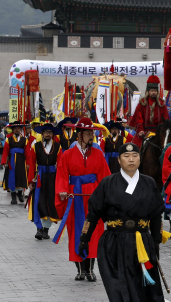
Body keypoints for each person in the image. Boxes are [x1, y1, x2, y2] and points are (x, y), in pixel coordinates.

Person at [80, 141, 166, 301]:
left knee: (143, 289)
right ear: (119, 160)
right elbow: (93, 214)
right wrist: (84, 238)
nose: (131, 159)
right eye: (126, 156)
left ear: (140, 159)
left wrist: (155, 242)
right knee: (117, 288)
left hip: (141, 244)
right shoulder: (108, 183)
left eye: (135, 155)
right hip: (114, 242)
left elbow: (156, 215)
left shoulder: (149, 183)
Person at [54, 117, 111, 282]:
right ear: (79, 134)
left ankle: (91, 270)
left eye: (91, 132)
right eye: (87, 133)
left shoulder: (98, 154)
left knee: (94, 231)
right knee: (76, 230)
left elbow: (104, 176)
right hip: (75, 196)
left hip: (92, 195)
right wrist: (63, 191)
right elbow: (62, 175)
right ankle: (80, 269)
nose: (91, 136)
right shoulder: (68, 154)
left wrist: (104, 195)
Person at [27, 122, 62, 240]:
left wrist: (61, 181)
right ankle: (39, 229)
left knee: (50, 203)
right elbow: (32, 164)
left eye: (50, 132)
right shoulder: (35, 146)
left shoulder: (58, 147)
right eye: (46, 132)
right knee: (39, 202)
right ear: (42, 134)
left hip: (53, 178)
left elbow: (61, 165)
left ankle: (46, 230)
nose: (48, 134)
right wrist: (31, 181)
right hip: (40, 177)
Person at [129, 75, 170, 147]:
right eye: (151, 91)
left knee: (166, 146)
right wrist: (140, 130)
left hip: (159, 132)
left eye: (155, 91)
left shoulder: (162, 104)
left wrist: (161, 130)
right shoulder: (142, 104)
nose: (153, 93)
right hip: (144, 132)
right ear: (148, 92)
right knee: (135, 148)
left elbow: (165, 120)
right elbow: (139, 119)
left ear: (157, 92)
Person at [2, 121, 29, 204]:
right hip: (11, 161)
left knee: (20, 177)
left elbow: (28, 152)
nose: (17, 130)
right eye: (15, 129)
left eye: (18, 128)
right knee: (11, 178)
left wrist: (28, 163)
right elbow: (5, 151)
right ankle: (13, 197)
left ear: (20, 130)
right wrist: (4, 162)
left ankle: (20, 194)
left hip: (21, 162)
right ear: (12, 130)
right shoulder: (8, 140)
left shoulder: (25, 140)